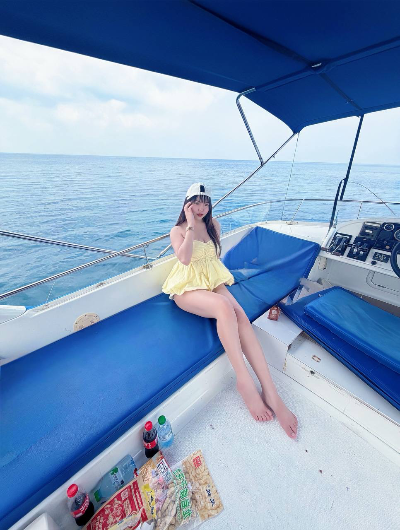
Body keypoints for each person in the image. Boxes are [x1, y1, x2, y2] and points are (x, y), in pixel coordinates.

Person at [162, 183, 298, 439]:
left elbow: (212, 260)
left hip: (211, 281)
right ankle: (244, 381)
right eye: (196, 203)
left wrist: (216, 283)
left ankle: (271, 392)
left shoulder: (214, 225)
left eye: (205, 203)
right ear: (187, 204)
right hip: (186, 289)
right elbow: (185, 259)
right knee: (225, 307)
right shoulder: (178, 230)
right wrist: (190, 225)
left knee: (241, 317)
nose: (201, 208)